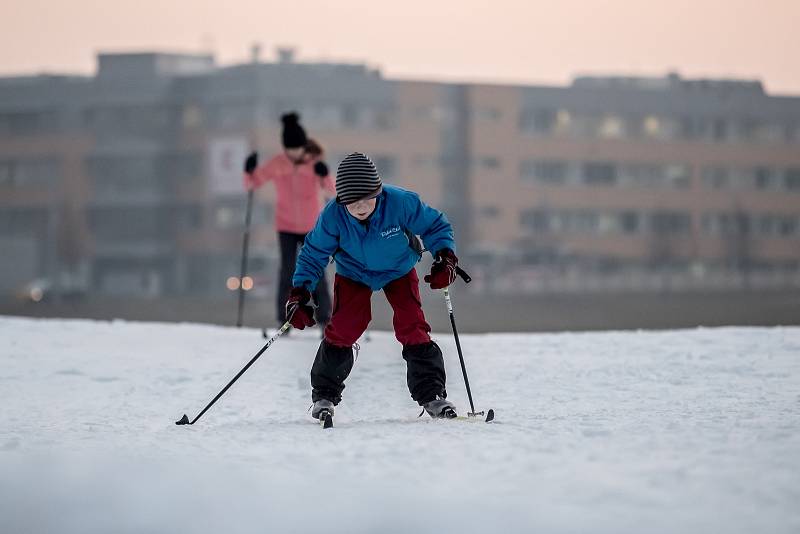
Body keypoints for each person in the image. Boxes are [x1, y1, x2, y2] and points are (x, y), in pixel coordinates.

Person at [284, 152, 462, 420]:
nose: (362, 207)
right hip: (354, 273)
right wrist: (300, 292)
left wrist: (445, 256)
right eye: (353, 203)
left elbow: (435, 225)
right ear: (342, 201)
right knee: (344, 327)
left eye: (368, 199)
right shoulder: (332, 217)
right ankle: (324, 395)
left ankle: (432, 394)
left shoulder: (400, 202)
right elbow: (313, 254)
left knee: (412, 324)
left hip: (399, 269)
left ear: (378, 192)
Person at [243, 112, 334, 333]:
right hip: (285, 225)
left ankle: (325, 320)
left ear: (304, 146)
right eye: (289, 149)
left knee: (317, 270)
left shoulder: (314, 163)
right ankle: (284, 320)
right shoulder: (278, 163)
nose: (294, 153)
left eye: (297, 148)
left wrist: (325, 174)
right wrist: (249, 169)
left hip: (312, 226)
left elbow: (331, 190)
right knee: (287, 271)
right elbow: (253, 183)